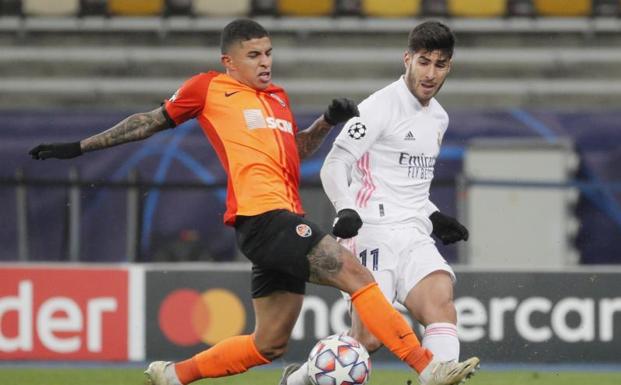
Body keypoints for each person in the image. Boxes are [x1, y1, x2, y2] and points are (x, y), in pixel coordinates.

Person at [29, 19, 475, 385]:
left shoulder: (277, 99)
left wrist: (325, 122)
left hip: (282, 219)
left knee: (270, 343)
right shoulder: (208, 89)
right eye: (254, 56)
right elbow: (150, 121)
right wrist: (81, 147)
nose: (265, 63)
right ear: (229, 62)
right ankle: (426, 366)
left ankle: (175, 374)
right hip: (261, 217)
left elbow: (294, 154)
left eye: (268, 54)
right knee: (358, 277)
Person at [280, 21, 478, 385]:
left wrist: (434, 217)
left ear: (450, 66)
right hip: (371, 229)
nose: (430, 73)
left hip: (413, 232)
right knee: (368, 339)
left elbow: (409, 187)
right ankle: (299, 380)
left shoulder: (439, 118)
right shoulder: (378, 107)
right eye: (423, 62)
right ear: (407, 59)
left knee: (441, 304)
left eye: (440, 64)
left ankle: (437, 377)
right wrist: (346, 208)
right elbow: (334, 164)